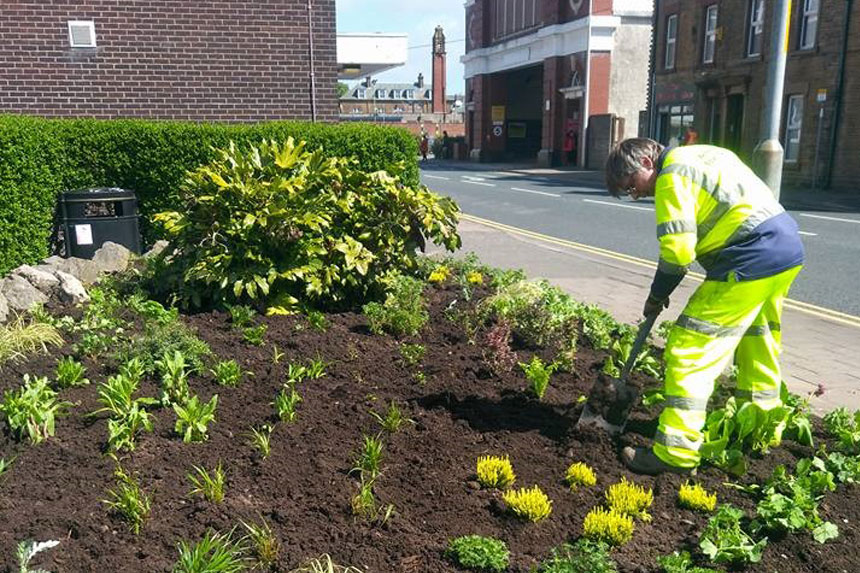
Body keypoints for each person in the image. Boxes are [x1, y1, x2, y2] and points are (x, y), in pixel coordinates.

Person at [604, 138, 805, 475]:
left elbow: (679, 252)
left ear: (646, 163)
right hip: (786, 247)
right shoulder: (707, 154)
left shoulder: (671, 174)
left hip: (748, 257)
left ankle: (676, 453)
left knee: (689, 348)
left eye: (632, 185)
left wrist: (657, 293)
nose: (636, 195)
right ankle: (761, 430)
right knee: (759, 341)